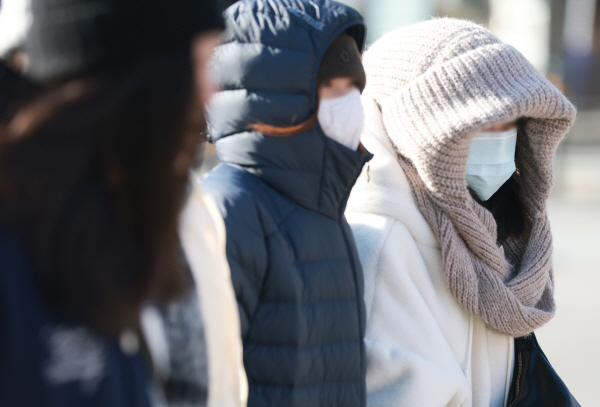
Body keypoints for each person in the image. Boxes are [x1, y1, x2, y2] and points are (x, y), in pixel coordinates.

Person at [0, 0, 246, 405]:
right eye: (200, 64)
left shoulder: (116, 237)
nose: (210, 94)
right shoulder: (18, 255)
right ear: (144, 79)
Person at [345, 18, 576, 407]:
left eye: (511, 120)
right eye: (479, 121)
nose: (501, 136)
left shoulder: (488, 226)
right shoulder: (382, 247)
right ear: (419, 128)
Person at [200, 1, 371, 406]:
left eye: (354, 89)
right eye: (333, 87)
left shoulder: (325, 214)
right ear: (276, 97)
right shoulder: (229, 211)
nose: (350, 103)